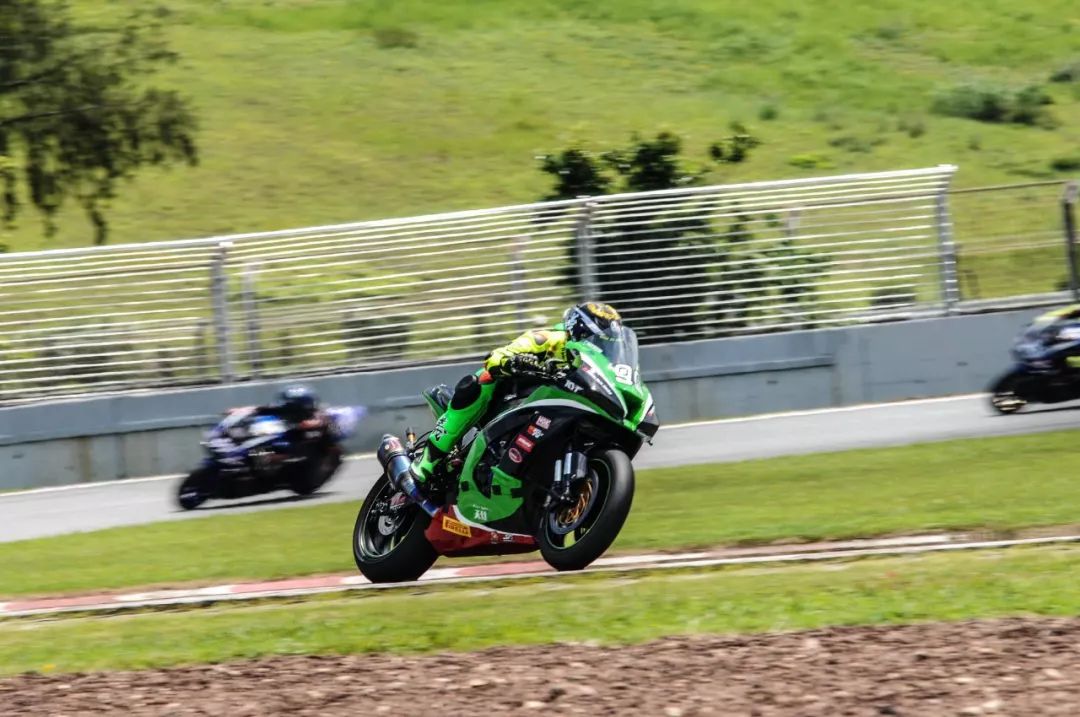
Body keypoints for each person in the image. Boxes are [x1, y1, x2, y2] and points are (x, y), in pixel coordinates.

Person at [408, 301, 623, 486]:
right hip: (516, 397)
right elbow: (499, 356)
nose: (600, 345)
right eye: (597, 338)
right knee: (481, 381)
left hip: (560, 410)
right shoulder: (551, 338)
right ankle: (428, 459)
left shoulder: (604, 366)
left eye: (607, 341)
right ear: (579, 330)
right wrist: (512, 361)